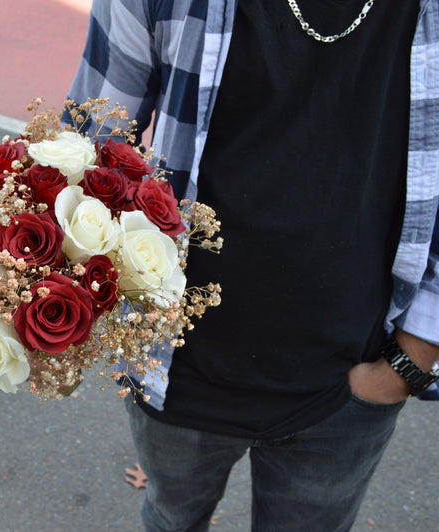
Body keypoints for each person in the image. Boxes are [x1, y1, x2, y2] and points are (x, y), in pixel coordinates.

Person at [66, 1, 439, 530]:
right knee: (173, 519)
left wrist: (407, 366)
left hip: (351, 386)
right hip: (175, 371)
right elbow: (85, 145)